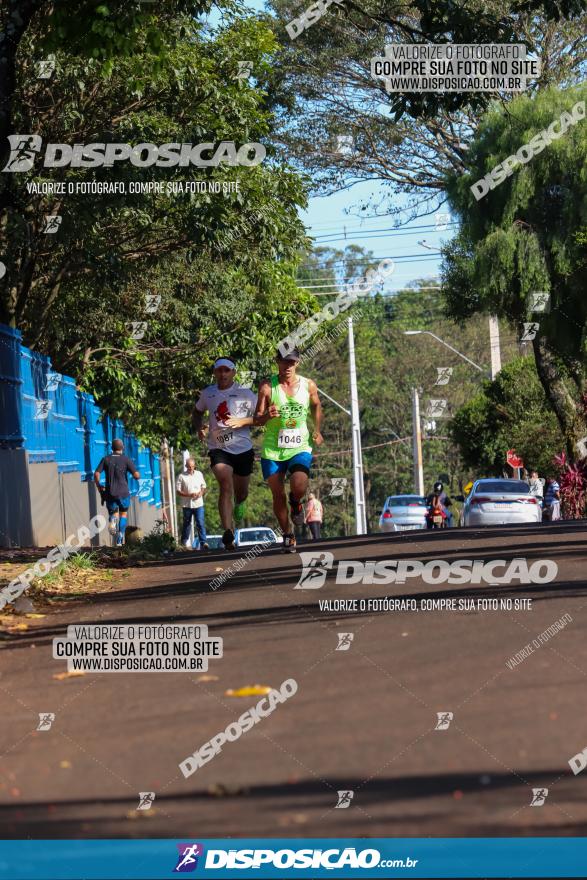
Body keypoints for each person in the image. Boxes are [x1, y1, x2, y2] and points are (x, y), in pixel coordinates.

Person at [255, 346, 323, 552]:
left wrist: (317, 429)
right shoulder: (267, 387)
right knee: (277, 494)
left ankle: (296, 502)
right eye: (284, 361)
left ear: (298, 363)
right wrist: (267, 415)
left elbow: (316, 406)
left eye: (292, 362)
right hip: (273, 450)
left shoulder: (308, 385)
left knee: (299, 483)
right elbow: (257, 419)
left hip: (299, 445)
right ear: (277, 362)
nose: (288, 366)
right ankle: (288, 534)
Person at [192, 357, 257, 550]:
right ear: (214, 373)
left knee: (241, 492)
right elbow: (196, 412)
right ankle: (228, 532)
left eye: (226, 370)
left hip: (243, 449)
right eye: (219, 370)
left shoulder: (245, 394)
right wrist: (199, 428)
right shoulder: (208, 393)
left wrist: (243, 422)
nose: (223, 374)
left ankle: (240, 503)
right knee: (225, 485)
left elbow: (260, 417)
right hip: (218, 449)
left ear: (233, 373)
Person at [94, 439, 140, 546]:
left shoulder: (106, 459)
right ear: (122, 448)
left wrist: (99, 486)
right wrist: (137, 475)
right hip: (124, 493)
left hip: (110, 493)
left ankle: (113, 522)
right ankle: (120, 538)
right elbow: (136, 475)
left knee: (113, 513)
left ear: (112, 448)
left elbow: (96, 474)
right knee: (123, 514)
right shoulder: (126, 459)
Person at [176, 457, 208, 550]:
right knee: (187, 524)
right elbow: (178, 491)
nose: (191, 468)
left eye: (192, 467)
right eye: (189, 467)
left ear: (195, 466)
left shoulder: (199, 474)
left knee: (200, 523)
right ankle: (183, 543)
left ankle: (203, 543)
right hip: (187, 505)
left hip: (198, 504)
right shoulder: (181, 476)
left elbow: (203, 486)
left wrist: (200, 493)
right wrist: (189, 494)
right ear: (186, 466)